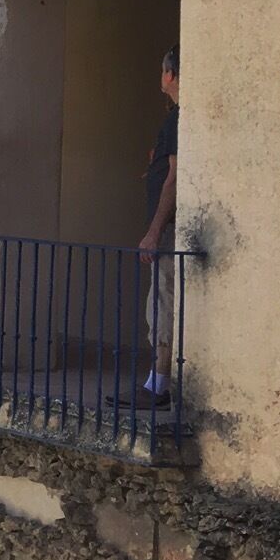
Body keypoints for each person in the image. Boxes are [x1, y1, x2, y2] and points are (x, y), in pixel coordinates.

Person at [117, 48, 180, 409]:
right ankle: (158, 383)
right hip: (169, 226)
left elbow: (175, 177)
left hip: (168, 230)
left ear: (170, 75)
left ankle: (158, 386)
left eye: (162, 71)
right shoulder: (177, 117)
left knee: (162, 304)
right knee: (160, 302)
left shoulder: (177, 119)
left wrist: (153, 231)